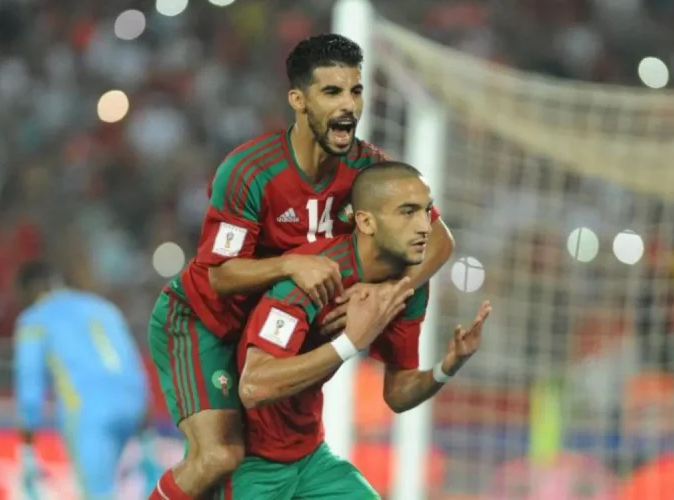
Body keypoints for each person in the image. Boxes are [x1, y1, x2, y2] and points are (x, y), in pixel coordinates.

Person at [147, 34, 454, 499]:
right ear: (298, 99)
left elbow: (441, 240)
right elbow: (220, 274)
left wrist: (388, 294)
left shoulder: (370, 171)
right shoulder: (251, 170)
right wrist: (291, 263)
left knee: (271, 462)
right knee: (219, 456)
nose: (349, 104)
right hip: (207, 323)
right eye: (332, 92)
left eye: (355, 90)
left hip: (276, 332)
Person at [231, 161, 491, 498]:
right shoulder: (311, 278)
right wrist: (351, 341)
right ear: (366, 221)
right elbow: (253, 386)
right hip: (250, 461)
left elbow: (398, 393)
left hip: (309, 457)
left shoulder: (405, 286)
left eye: (426, 211)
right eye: (407, 212)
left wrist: (446, 368)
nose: (424, 226)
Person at [14, 261, 156, 499]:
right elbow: (132, 361)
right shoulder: (103, 308)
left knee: (98, 494)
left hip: (88, 411)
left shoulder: (34, 320)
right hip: (134, 405)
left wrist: (27, 448)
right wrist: (147, 430)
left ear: (27, 291)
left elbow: (30, 385)